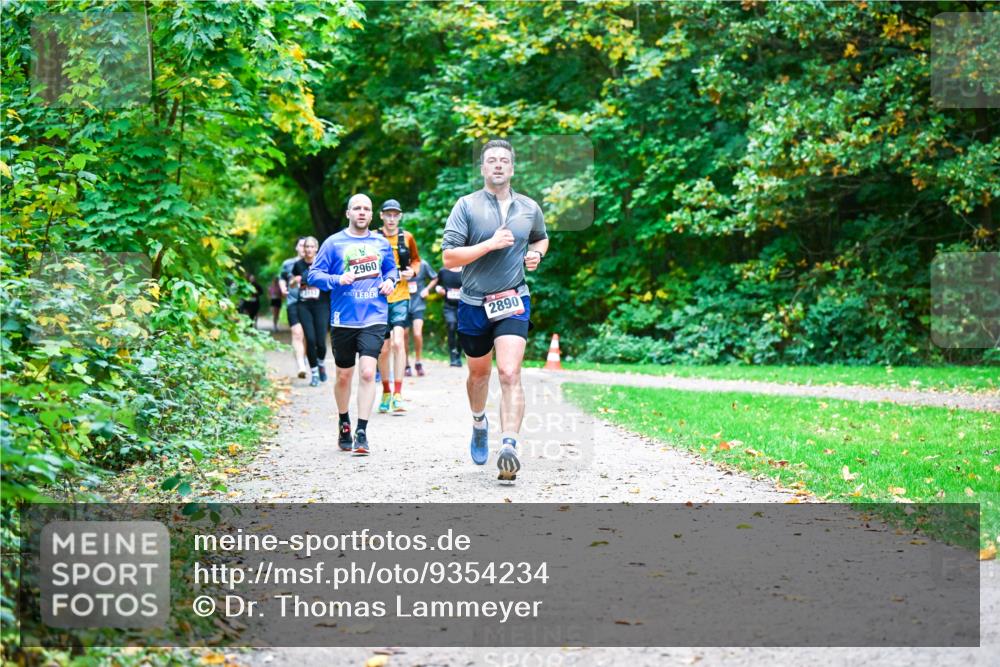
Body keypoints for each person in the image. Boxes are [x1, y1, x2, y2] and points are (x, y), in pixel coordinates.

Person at [441, 139, 548, 482]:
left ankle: (509, 446)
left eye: (504, 160)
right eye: (492, 160)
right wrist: (489, 244)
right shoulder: (466, 206)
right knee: (479, 375)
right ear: (483, 168)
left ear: (512, 168)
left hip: (513, 299)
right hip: (474, 303)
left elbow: (540, 237)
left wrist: (536, 254)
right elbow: (449, 258)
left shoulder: (529, 207)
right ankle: (478, 423)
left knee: (509, 372)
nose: (498, 164)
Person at [307, 194, 397, 456]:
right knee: (344, 375)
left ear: (371, 214)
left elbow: (391, 270)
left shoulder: (381, 243)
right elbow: (314, 275)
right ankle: (344, 420)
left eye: (366, 208)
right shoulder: (333, 243)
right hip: (343, 319)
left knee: (368, 373)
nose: (362, 212)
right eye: (357, 208)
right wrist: (337, 279)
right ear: (348, 213)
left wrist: (390, 281)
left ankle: (362, 432)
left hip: (374, 316)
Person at [374, 199, 420, 414]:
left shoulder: (407, 237)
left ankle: (398, 395)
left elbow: (416, 260)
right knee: (383, 348)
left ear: (400, 216)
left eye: (395, 215)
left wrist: (413, 271)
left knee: (398, 342)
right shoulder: (373, 237)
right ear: (381, 216)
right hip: (378, 298)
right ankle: (386, 392)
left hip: (401, 294)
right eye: (388, 215)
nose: (391, 219)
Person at [290, 237, 330, 386]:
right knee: (310, 339)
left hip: (321, 305)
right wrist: (295, 281)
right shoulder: (298, 265)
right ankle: (314, 374)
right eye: (306, 246)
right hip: (304, 306)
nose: (308, 249)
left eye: (312, 247)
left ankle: (321, 363)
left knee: (321, 342)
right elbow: (292, 284)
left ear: (316, 249)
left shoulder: (323, 264)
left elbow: (329, 282)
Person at [279, 238, 310, 378]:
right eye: (301, 245)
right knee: (297, 333)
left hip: (310, 303)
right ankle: (301, 365)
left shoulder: (315, 263)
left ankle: (304, 357)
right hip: (293, 302)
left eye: (306, 245)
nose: (304, 248)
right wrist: (283, 288)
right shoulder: (288, 264)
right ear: (296, 248)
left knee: (308, 336)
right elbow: (282, 277)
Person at [403, 258, 437, 377]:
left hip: (418, 304)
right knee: (404, 336)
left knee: (417, 333)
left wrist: (426, 289)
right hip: (403, 304)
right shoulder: (398, 264)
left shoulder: (422, 264)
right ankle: (406, 364)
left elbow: (435, 277)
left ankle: (418, 362)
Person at [434, 264, 464, 367]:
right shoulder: (443, 271)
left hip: (463, 307)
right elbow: (438, 285)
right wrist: (439, 290)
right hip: (449, 307)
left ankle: (458, 355)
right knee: (451, 326)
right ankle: (452, 355)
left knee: (461, 331)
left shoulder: (465, 270)